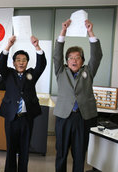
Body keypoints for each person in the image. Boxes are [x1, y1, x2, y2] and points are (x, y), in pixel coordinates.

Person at [53, 19, 103, 172]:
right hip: (63, 116)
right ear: (67, 61)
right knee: (61, 152)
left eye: (77, 57)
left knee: (79, 153)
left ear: (82, 60)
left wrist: (90, 32)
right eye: (71, 58)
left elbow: (97, 56)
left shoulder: (88, 71)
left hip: (83, 117)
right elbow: (57, 55)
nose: (74, 60)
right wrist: (63, 32)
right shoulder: (61, 71)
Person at [0, 35, 47, 172]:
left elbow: (41, 65)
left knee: (25, 148)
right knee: (11, 148)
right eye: (18, 60)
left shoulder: (31, 74)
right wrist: (8, 45)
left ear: (27, 63)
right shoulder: (8, 73)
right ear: (13, 63)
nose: (21, 63)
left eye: (24, 60)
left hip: (26, 117)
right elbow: (1, 63)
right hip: (11, 117)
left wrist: (37, 46)